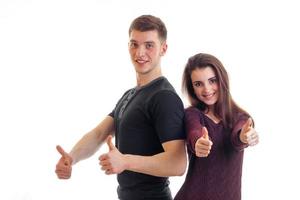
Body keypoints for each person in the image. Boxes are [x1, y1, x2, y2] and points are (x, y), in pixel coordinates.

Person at [55, 15, 187, 200]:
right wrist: (71, 158)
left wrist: (125, 161)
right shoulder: (131, 94)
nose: (140, 53)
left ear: (163, 49)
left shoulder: (164, 97)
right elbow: (99, 134)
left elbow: (178, 163)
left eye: (149, 45)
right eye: (134, 44)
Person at [174, 53, 259, 200]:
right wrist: (198, 143)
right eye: (198, 84)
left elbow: (236, 138)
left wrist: (245, 137)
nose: (206, 89)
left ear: (222, 79)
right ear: (192, 88)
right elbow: (194, 131)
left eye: (212, 81)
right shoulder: (192, 114)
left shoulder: (241, 119)